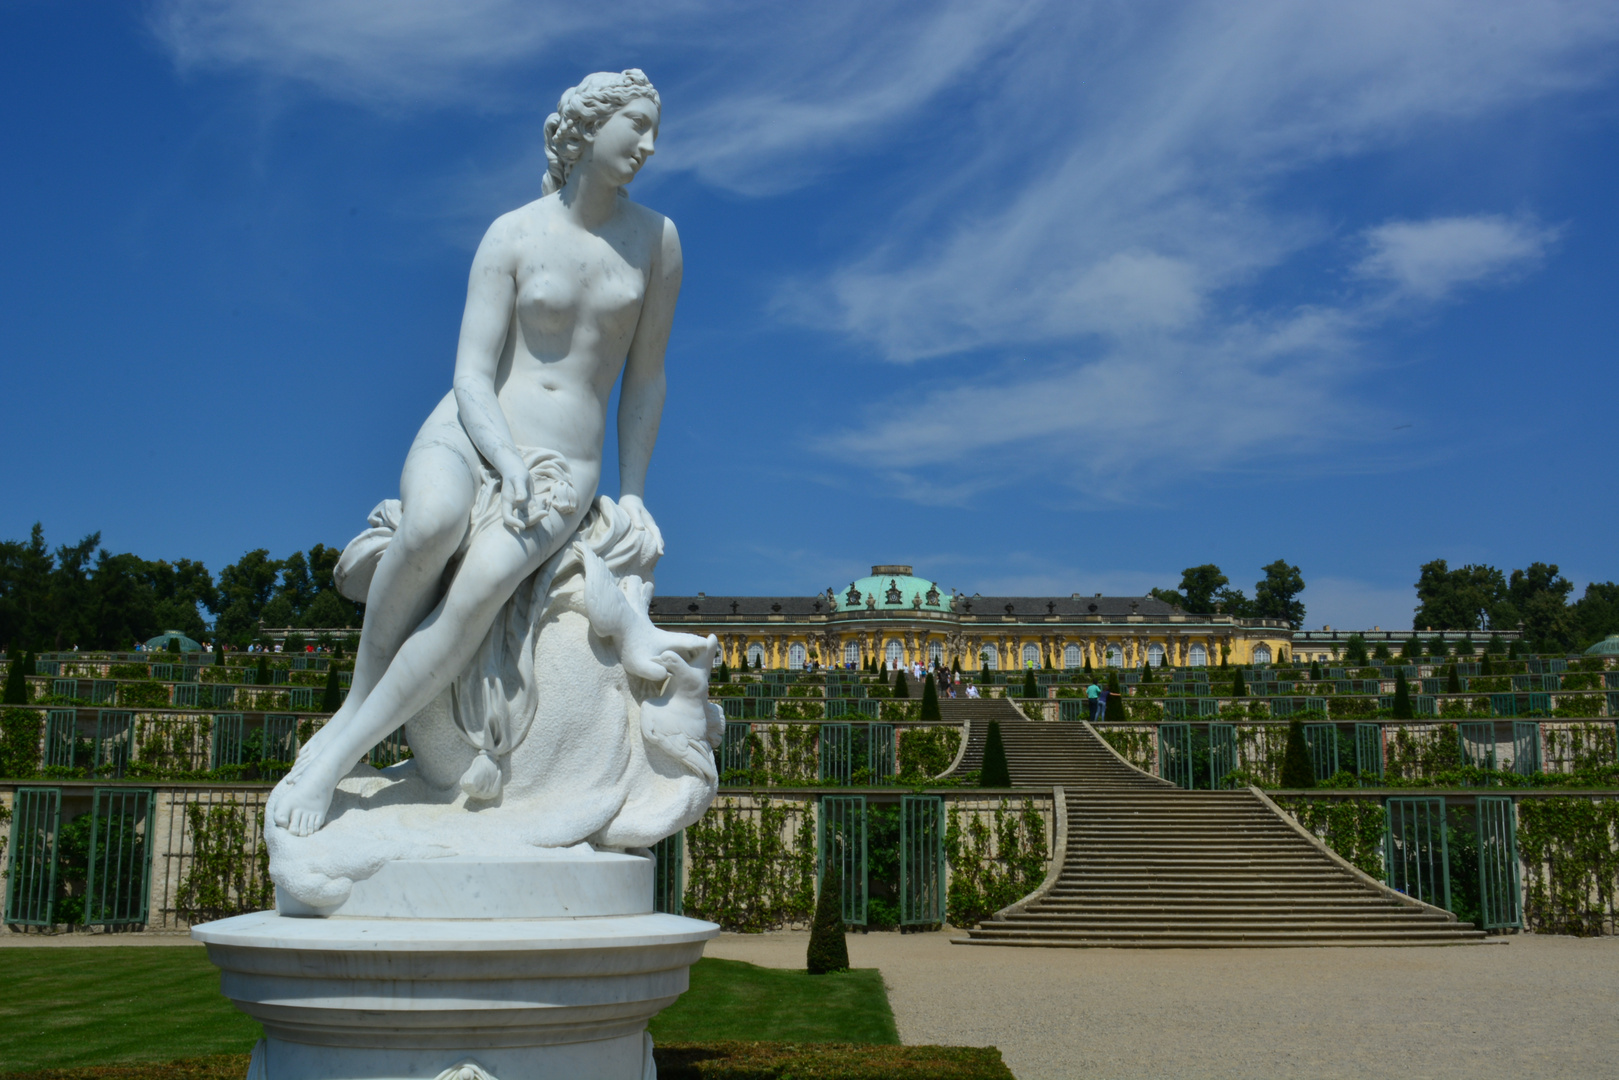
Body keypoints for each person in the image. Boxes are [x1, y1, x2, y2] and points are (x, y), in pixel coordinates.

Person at [274, 69, 676, 838]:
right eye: (637, 128)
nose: (649, 147)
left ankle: (336, 757)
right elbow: (469, 374)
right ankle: (352, 714)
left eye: (655, 131)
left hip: (566, 462)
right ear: (588, 130)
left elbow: (646, 379)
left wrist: (634, 494)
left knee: (481, 587)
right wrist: (506, 458)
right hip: (468, 428)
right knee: (430, 525)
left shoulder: (657, 240)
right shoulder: (512, 233)